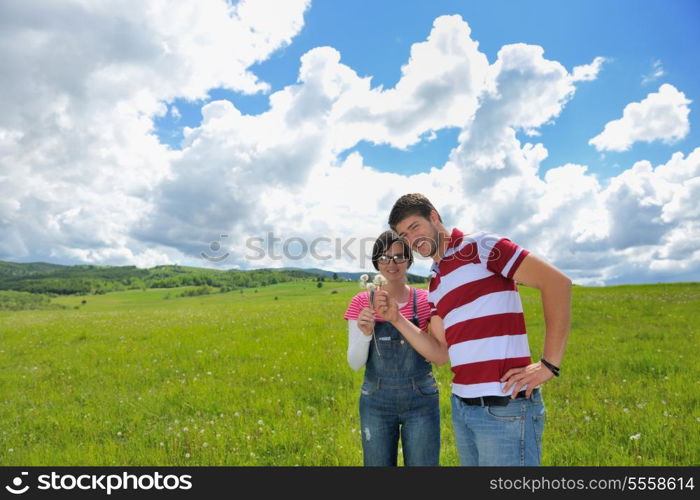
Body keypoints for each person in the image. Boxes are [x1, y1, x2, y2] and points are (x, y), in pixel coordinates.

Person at [373, 193, 571, 466]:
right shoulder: (435, 280)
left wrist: (549, 364)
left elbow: (556, 283)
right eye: (403, 235)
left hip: (505, 406)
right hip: (463, 407)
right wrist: (396, 319)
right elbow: (441, 353)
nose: (411, 239)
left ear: (434, 216)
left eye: (415, 226)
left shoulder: (482, 245)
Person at [343, 230, 445, 466]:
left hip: (421, 398)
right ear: (376, 262)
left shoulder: (425, 299)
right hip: (376, 400)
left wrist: (398, 318)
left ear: (409, 260)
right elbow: (355, 363)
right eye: (385, 257)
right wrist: (365, 335)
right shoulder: (361, 302)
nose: (392, 264)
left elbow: (440, 355)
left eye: (399, 257)